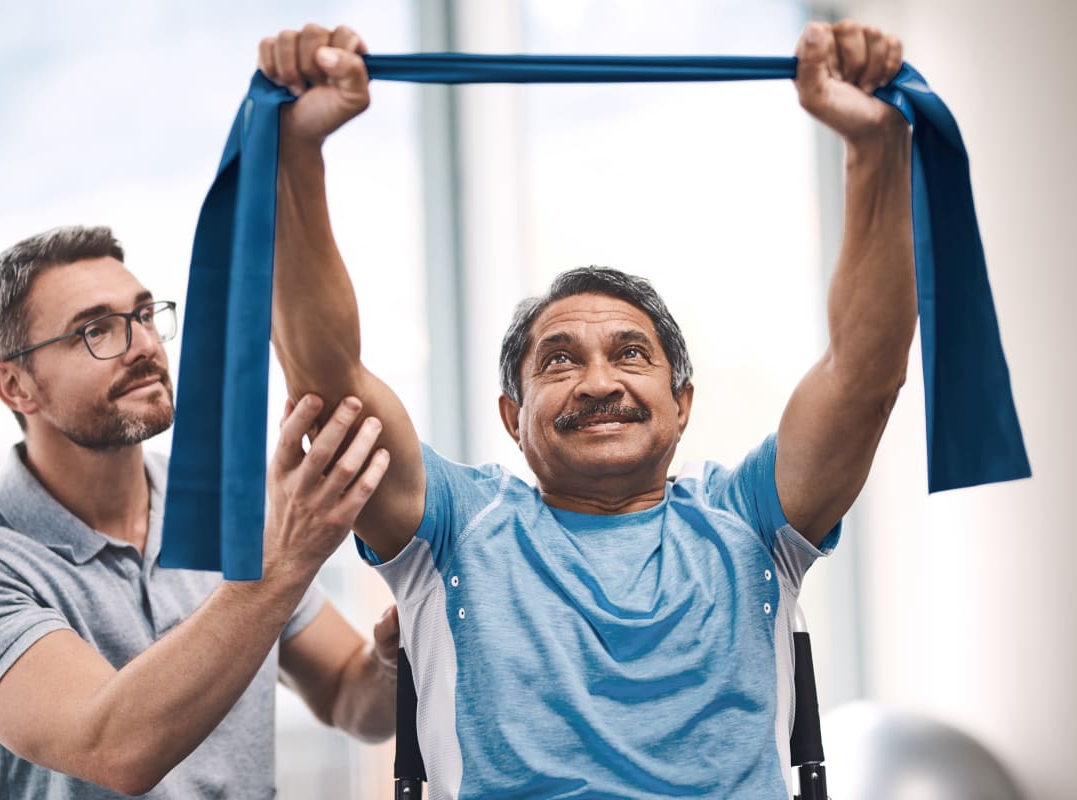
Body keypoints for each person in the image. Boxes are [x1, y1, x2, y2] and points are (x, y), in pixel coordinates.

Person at [258, 17, 915, 800]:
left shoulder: (751, 522)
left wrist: (874, 154)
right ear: (513, 416)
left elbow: (864, 376)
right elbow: (328, 379)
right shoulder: (455, 529)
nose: (598, 382)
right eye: (560, 361)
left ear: (682, 405)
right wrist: (296, 154)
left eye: (631, 355)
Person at [0, 226, 398, 798]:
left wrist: (391, 665)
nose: (144, 346)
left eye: (144, 315)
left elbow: (344, 695)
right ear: (15, 386)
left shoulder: (225, 508)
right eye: (96, 330)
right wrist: (285, 559)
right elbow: (116, 750)